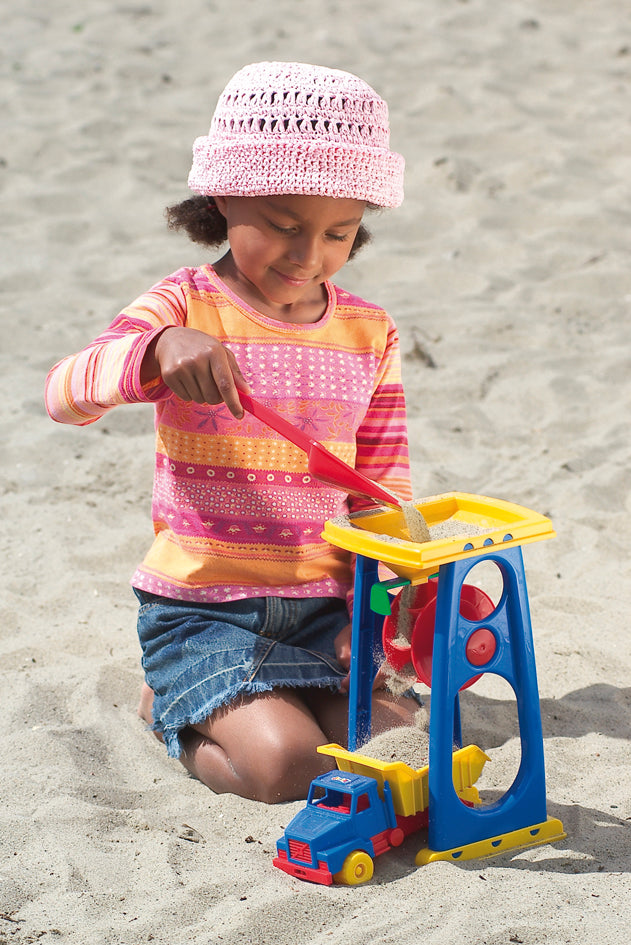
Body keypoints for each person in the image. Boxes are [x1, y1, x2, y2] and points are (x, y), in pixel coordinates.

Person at [45, 61, 419, 803]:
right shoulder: (185, 304)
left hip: (326, 609)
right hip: (208, 614)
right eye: (284, 226)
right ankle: (173, 713)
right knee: (287, 765)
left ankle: (267, 703)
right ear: (223, 196)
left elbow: (379, 479)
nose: (308, 255)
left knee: (398, 744)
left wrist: (396, 582)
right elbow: (65, 393)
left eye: (338, 233)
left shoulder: (367, 329)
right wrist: (153, 351)